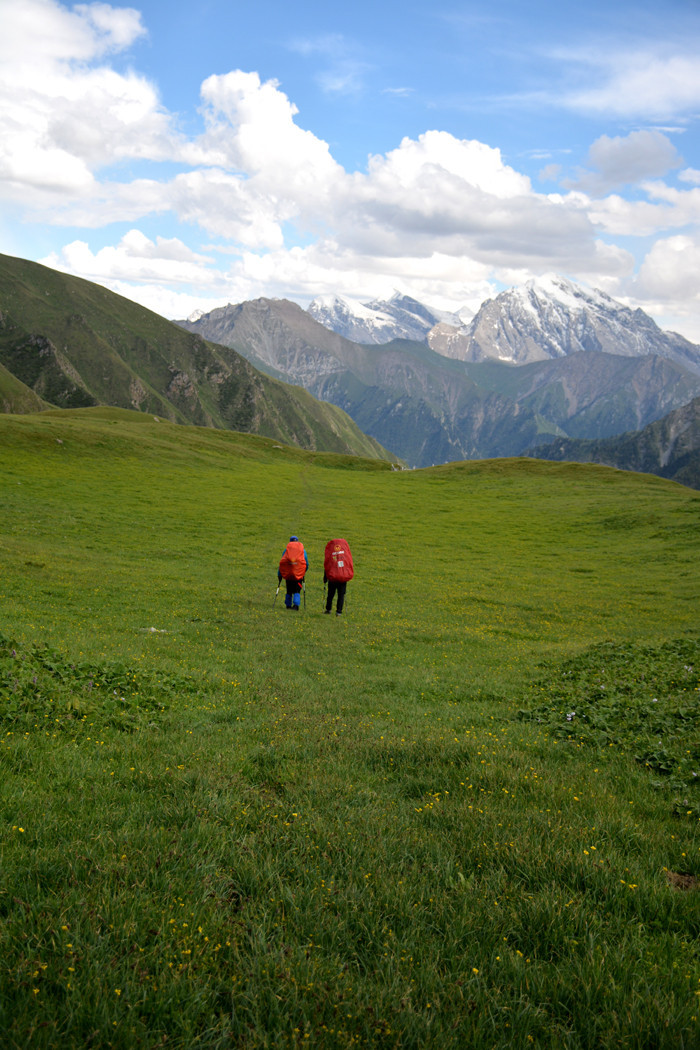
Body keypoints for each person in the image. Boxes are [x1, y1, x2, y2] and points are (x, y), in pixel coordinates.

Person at [323, 537, 354, 616]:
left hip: (333, 577)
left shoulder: (331, 554)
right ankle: (339, 611)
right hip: (342, 577)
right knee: (341, 595)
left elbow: (327, 565)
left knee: (330, 594)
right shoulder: (344, 555)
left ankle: (328, 609)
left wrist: (325, 577)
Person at [278, 536, 308, 610]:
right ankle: (296, 605)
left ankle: (288, 605)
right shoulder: (303, 551)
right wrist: (303, 572)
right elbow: (306, 563)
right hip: (298, 574)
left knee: (289, 590)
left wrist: (280, 574)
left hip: (288, 574)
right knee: (297, 590)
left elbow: (282, 564)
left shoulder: (286, 551)